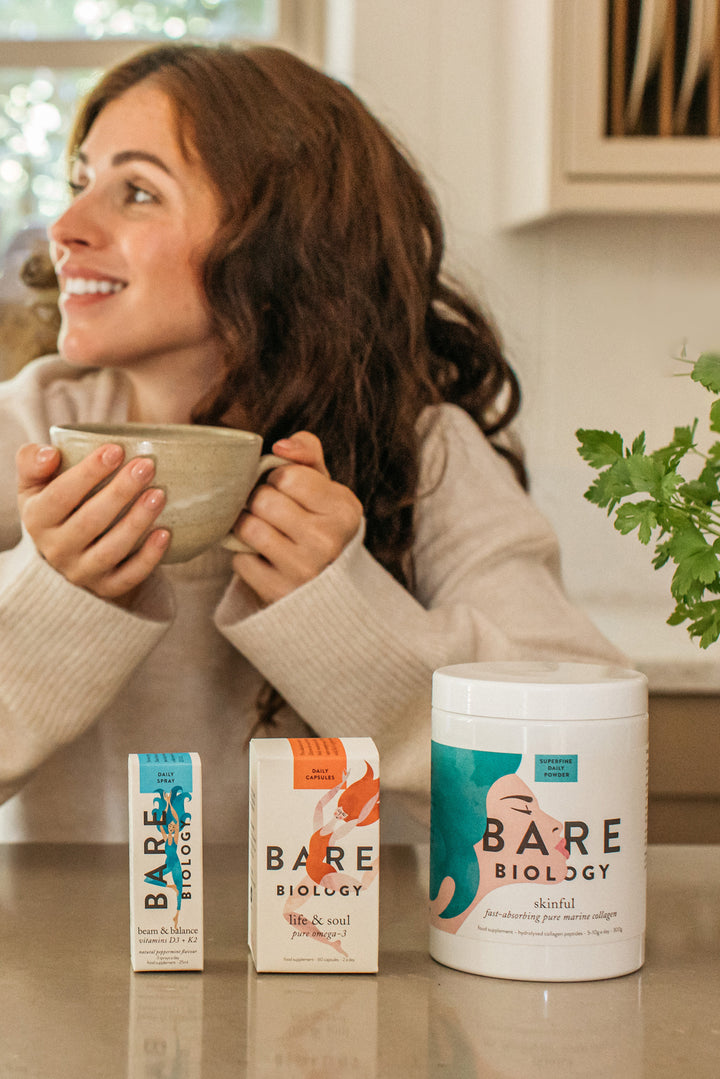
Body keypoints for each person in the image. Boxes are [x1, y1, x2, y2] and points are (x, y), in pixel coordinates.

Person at [0, 43, 622, 842]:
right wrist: (52, 604)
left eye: (138, 192)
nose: (65, 228)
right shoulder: (25, 436)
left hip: (369, 971)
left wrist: (345, 612)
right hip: (64, 968)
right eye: (82, 183)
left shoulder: (423, 454)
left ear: (279, 242)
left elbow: (585, 779)